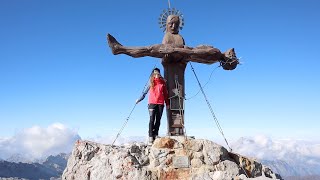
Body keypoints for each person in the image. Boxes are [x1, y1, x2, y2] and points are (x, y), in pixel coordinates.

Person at [136, 68, 169, 144]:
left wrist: (167, 104)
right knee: (151, 119)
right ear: (153, 74)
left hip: (160, 103)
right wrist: (139, 99)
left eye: (158, 73)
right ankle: (151, 136)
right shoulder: (151, 82)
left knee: (158, 120)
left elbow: (166, 94)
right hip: (152, 103)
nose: (156, 75)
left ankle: (155, 134)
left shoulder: (162, 83)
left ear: (160, 74)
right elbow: (144, 93)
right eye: (155, 73)